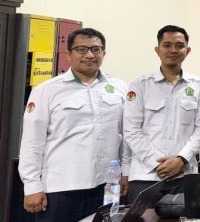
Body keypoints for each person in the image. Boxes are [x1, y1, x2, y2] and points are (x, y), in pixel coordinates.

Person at [18, 27, 130, 222]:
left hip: (106, 186)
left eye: (96, 49)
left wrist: (125, 173)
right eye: (81, 49)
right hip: (60, 188)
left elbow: (126, 135)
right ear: (68, 54)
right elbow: (32, 142)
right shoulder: (47, 90)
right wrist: (32, 186)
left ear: (104, 53)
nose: (89, 55)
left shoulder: (119, 87)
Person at [123, 25, 200, 203]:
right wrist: (159, 163)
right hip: (146, 176)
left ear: (187, 51)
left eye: (179, 45)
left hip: (185, 176)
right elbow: (131, 130)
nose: (173, 50)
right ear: (157, 50)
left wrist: (181, 160)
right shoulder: (140, 85)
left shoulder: (199, 86)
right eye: (167, 45)